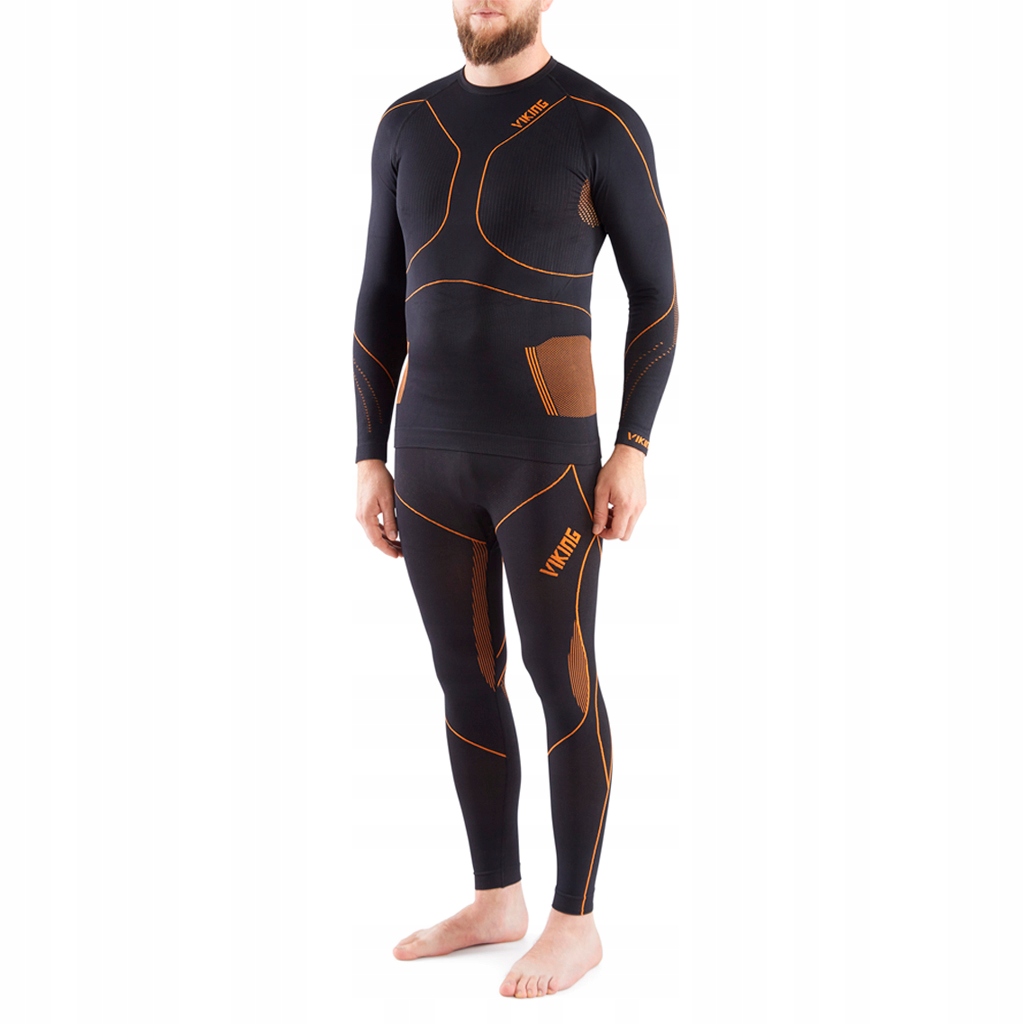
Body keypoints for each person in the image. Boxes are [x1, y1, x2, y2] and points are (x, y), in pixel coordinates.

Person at [353, 0, 676, 998]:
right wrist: (368, 454)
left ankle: (574, 921)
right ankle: (496, 897)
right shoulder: (406, 123)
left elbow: (658, 297)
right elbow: (377, 296)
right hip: (428, 456)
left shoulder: (599, 122)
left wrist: (631, 448)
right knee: (464, 676)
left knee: (561, 677)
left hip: (547, 463)